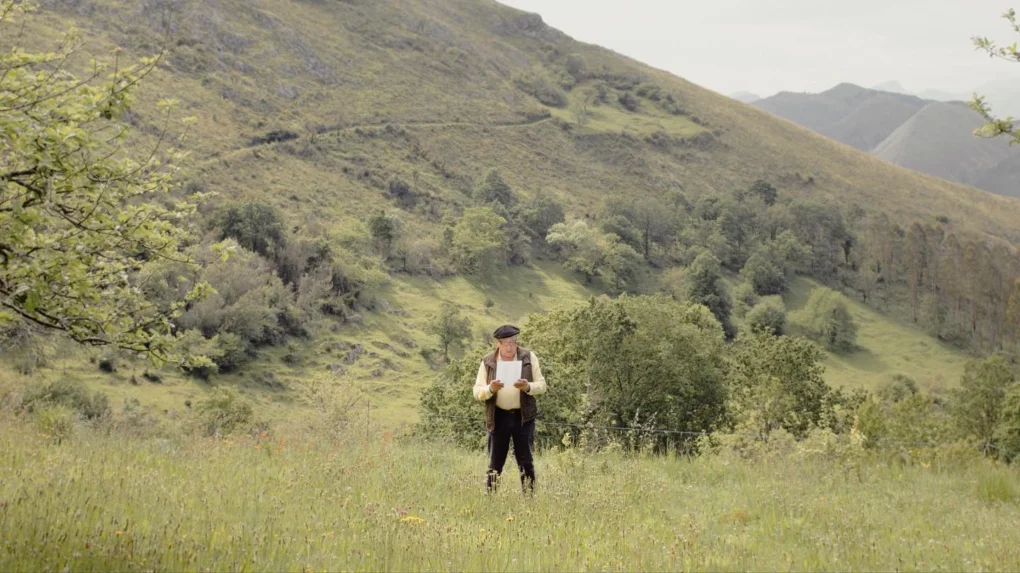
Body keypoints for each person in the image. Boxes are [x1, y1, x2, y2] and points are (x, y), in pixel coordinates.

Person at [472, 324, 547, 493]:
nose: (510, 347)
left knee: (526, 461)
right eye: (506, 343)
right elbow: (477, 391)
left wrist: (528, 387)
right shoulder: (488, 361)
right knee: (495, 462)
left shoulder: (528, 357)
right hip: (498, 416)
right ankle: (490, 498)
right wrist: (490, 389)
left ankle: (530, 499)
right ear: (498, 344)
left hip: (523, 416)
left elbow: (542, 385)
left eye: (513, 342)